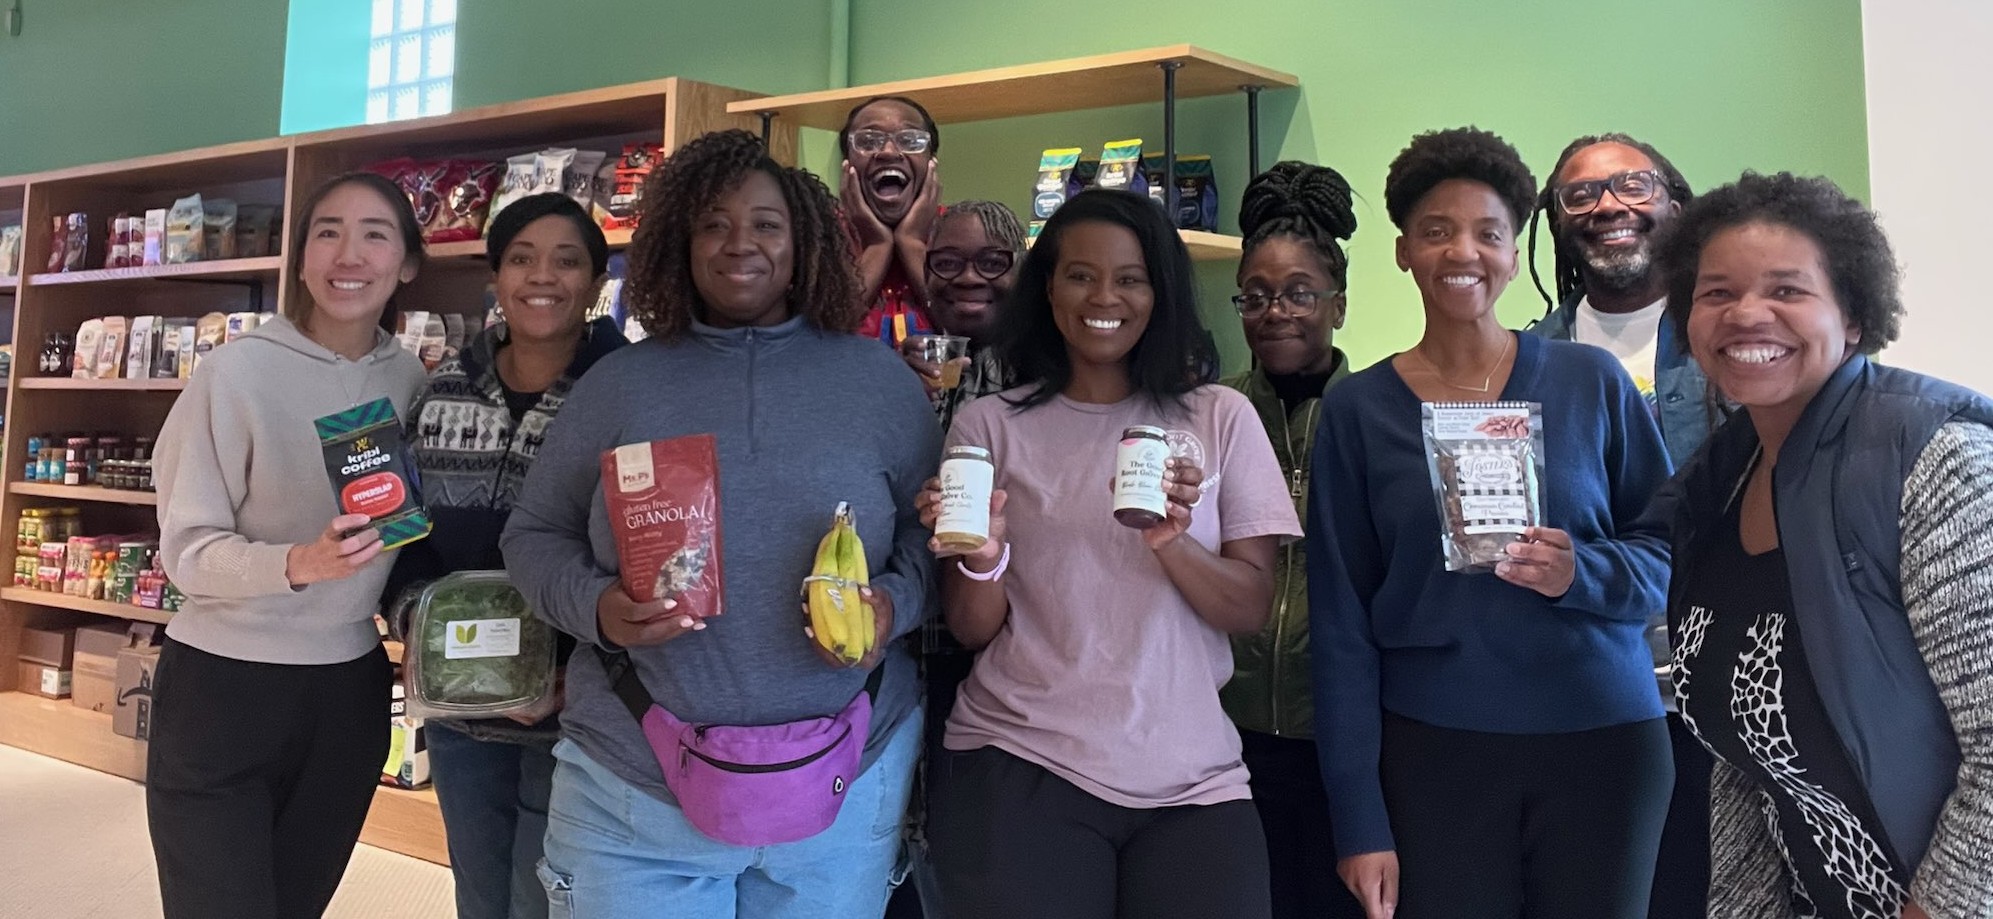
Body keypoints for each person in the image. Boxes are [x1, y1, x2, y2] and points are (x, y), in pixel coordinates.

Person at [500, 129, 939, 918]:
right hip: (630, 790)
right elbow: (533, 536)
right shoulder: (617, 384)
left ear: (803, 240)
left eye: (766, 224)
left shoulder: (878, 382)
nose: (741, 244)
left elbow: (931, 539)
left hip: (844, 780)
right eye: (713, 223)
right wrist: (597, 609)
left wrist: (894, 606)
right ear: (678, 242)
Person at [1310, 127, 1674, 919]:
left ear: (1514, 255)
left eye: (1487, 233)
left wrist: (1586, 570)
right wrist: (1357, 815)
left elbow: (1668, 550)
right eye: (1435, 232)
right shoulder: (1357, 411)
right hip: (1432, 746)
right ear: (1403, 251)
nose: (1461, 252)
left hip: (1602, 738)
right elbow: (1339, 623)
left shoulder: (1591, 381)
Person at [921, 188, 1301, 919]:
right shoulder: (988, 425)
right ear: (1047, 289)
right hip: (1019, 758)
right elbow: (971, 627)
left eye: (1130, 277)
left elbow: (1249, 605)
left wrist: (1167, 538)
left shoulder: (1220, 416)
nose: (1105, 296)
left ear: (1160, 291)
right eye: (1079, 275)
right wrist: (984, 553)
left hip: (1193, 781)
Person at [1658, 171, 1993, 918]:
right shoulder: (1717, 481)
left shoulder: (1932, 460)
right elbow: (1743, 753)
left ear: (1852, 315)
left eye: (1785, 290)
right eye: (1716, 293)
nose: (1746, 313)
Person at [146, 171, 429, 918]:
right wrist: (296, 563)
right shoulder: (234, 373)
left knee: (297, 903)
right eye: (327, 231)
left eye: (375, 234)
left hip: (349, 689)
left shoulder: (411, 380)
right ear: (300, 258)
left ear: (405, 263)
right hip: (222, 685)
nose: (349, 253)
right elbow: (187, 551)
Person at [385, 192, 627, 919]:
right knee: (482, 894)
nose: (541, 277)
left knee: (548, 897)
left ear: (594, 282)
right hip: (461, 707)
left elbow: (652, 550)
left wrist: (575, 673)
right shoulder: (441, 390)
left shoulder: (626, 390)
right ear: (497, 277)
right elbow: (405, 539)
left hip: (583, 709)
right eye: (521, 258)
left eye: (566, 260)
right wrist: (417, 632)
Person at [1524, 133, 1715, 919]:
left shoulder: (1729, 338)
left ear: (1673, 200)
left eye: (1631, 185)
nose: (1607, 206)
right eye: (1579, 195)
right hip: (1583, 698)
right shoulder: (1525, 358)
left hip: (1719, 703)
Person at [1219, 161, 1366, 919]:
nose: (1275, 311)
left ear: (1337, 306)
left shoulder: (1378, 414)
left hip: (1343, 739)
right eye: (1255, 295)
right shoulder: (1207, 415)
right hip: (1221, 731)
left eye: (1299, 293)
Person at [885, 199, 1026, 919]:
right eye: (946, 262)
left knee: (982, 852)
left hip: (1009, 654)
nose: (967, 278)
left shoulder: (1047, 376)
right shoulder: (898, 371)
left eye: (991, 262)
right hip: (905, 646)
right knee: (906, 843)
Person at [842, 95, 943, 349]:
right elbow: (818, 341)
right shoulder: (817, 237)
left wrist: (911, 244)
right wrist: (878, 245)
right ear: (847, 163)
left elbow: (971, 336)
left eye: (910, 140)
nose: (888, 152)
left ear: (931, 162)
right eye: (868, 141)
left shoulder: (960, 232)